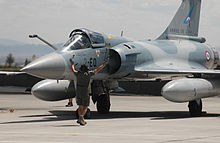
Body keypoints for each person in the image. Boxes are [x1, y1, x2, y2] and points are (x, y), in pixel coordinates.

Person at [70, 59, 108, 126]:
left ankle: (80, 118)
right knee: (85, 106)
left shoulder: (78, 74)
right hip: (85, 91)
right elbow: (97, 70)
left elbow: (73, 70)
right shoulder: (88, 74)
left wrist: (72, 64)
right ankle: (81, 117)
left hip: (78, 91)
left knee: (80, 105)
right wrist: (104, 65)